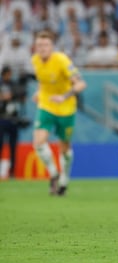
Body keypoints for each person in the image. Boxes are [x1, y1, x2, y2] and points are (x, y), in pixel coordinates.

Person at [30, 30, 87, 196]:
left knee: (64, 148)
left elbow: (80, 84)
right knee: (39, 142)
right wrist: (38, 93)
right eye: (39, 45)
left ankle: (64, 179)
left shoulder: (61, 60)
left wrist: (64, 96)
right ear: (35, 47)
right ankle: (54, 173)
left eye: (45, 45)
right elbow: (43, 82)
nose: (42, 48)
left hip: (66, 108)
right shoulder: (35, 61)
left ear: (52, 46)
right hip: (46, 105)